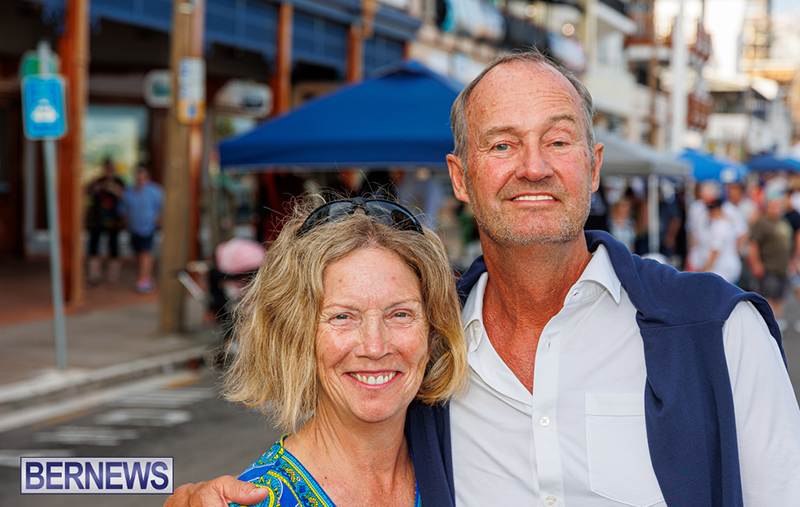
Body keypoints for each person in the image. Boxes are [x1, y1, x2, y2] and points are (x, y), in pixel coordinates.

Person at [168, 49, 800, 506]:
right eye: (500, 145)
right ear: (461, 177)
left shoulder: (719, 333)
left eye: (557, 141)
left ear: (594, 164)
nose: (532, 167)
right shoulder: (430, 355)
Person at [169, 196, 467, 507]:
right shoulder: (262, 500)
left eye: (400, 314)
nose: (375, 346)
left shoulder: (464, 468)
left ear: (434, 329)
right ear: (297, 335)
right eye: (343, 316)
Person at [748, 183, 794, 331]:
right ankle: (769, 326)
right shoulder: (762, 222)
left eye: (778, 204)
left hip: (782, 267)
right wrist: (756, 264)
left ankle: (777, 323)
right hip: (769, 267)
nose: (777, 207)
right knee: (769, 297)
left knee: (780, 296)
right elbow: (753, 244)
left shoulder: (782, 221)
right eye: (774, 205)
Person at [121, 164, 164, 293]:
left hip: (148, 227)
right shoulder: (129, 192)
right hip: (134, 228)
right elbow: (124, 209)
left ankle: (145, 279)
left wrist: (158, 220)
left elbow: (162, 208)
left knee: (146, 253)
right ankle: (145, 276)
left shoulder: (155, 191)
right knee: (139, 253)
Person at [85, 157, 126, 286]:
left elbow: (123, 196)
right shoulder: (97, 181)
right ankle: (94, 276)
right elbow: (88, 193)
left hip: (113, 221)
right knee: (93, 247)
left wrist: (111, 188)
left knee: (113, 247)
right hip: (97, 220)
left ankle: (113, 278)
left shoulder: (119, 182)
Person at [701, 199, 741, 284]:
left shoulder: (719, 226)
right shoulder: (728, 222)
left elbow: (715, 250)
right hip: (731, 262)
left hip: (722, 267)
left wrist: (704, 270)